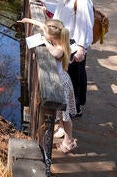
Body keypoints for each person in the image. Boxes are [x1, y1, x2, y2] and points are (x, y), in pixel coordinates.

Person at [9, 0, 94, 117]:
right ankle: (68, 108)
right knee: (67, 76)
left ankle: (75, 108)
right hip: (64, 40)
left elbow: (86, 25)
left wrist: (82, 47)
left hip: (74, 45)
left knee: (75, 76)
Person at [17, 18, 78, 153]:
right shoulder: (59, 37)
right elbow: (43, 25)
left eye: (46, 35)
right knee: (62, 114)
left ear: (52, 37)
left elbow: (56, 53)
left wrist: (45, 41)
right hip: (59, 81)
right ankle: (62, 130)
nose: (45, 36)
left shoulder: (60, 47)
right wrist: (29, 20)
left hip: (62, 84)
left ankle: (69, 140)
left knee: (66, 116)